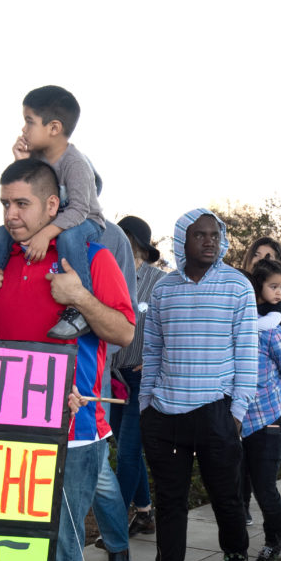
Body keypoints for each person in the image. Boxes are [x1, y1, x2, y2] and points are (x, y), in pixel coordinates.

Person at [0, 158, 135, 561]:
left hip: (77, 426)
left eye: (22, 203)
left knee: (64, 536)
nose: (11, 213)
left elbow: (123, 333)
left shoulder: (92, 259)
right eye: (5, 203)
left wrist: (79, 298)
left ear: (53, 205)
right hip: (7, 425)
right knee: (13, 529)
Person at [117, 208, 257, 561]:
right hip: (165, 415)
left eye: (215, 235)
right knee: (170, 503)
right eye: (201, 235)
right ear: (183, 241)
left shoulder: (238, 287)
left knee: (226, 498)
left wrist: (236, 412)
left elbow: (246, 355)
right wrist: (147, 407)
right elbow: (154, 351)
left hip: (217, 413)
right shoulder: (164, 290)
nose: (210, 241)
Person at [0, 85, 106, 340]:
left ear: (54, 128)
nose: (24, 130)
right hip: (59, 219)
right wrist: (22, 161)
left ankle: (78, 309)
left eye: (29, 122)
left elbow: (81, 209)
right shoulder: (37, 156)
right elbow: (28, 190)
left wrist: (46, 233)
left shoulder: (75, 163)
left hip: (86, 221)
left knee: (70, 237)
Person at [109, 216, 166, 537]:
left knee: (129, 453)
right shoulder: (106, 276)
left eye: (127, 244)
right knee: (124, 449)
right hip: (112, 378)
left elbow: (176, 327)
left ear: (142, 249)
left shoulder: (159, 282)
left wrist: (157, 359)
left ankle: (114, 526)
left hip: (143, 381)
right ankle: (144, 513)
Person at [241, 259, 281, 561]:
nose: (278, 293)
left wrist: (271, 389)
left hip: (267, 419)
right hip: (235, 421)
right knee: (236, 489)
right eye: (273, 286)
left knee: (264, 487)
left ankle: (274, 539)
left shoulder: (272, 331)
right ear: (257, 287)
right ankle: (235, 550)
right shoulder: (237, 326)